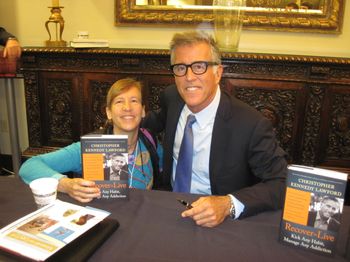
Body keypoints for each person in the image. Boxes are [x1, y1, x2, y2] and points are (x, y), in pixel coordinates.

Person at [143, 31, 287, 227]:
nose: (189, 77)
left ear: (218, 73)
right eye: (180, 68)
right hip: (169, 206)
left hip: (219, 220)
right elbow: (148, 123)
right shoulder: (172, 98)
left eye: (199, 66)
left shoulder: (251, 124)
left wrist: (227, 204)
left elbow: (280, 183)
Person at [20, 78, 163, 202]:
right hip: (106, 221)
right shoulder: (91, 148)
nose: (127, 108)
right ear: (108, 112)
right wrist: (65, 184)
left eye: (134, 101)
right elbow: (29, 166)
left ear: (143, 111)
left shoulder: (151, 142)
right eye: (119, 101)